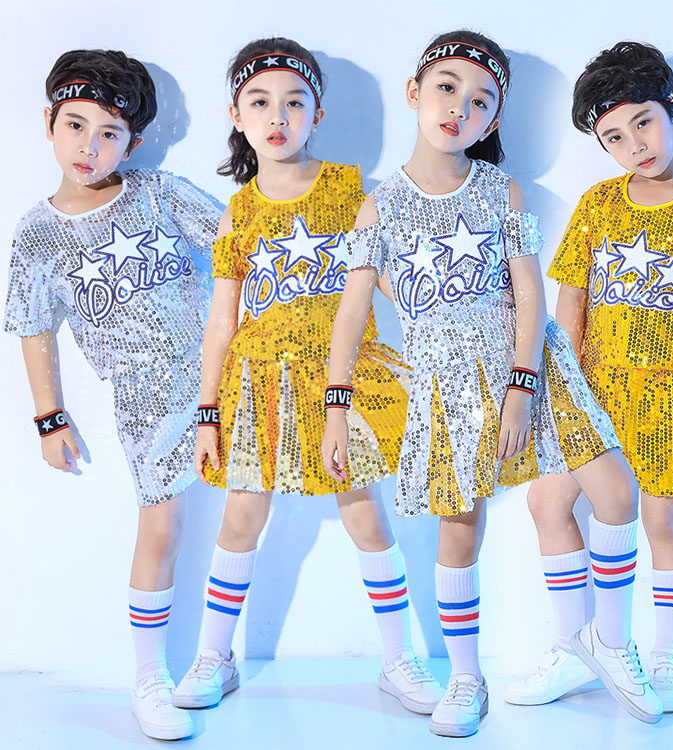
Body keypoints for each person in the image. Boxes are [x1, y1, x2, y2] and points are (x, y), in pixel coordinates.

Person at [323, 30, 662, 737]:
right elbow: (351, 314)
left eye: (481, 101)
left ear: (493, 120)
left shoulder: (500, 190)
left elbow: (529, 295)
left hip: (529, 366)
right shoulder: (379, 207)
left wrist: (520, 386)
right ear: (415, 92)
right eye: (447, 88)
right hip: (445, 380)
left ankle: (604, 640)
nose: (461, 108)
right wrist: (335, 407)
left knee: (615, 493)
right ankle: (466, 678)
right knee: (459, 530)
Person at [173, 37, 442, 717]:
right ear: (236, 115)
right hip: (258, 386)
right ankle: (214, 657)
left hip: (340, 382)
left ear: (316, 113)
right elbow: (221, 323)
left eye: (294, 102)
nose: (278, 116)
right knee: (241, 515)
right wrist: (207, 413)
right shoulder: (237, 212)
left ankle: (399, 659)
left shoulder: (350, 190)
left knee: (364, 513)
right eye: (260, 102)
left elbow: (387, 281)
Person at [507, 41, 673, 714]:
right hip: (592, 395)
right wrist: (558, 394)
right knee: (546, 503)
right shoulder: (598, 204)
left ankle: (665, 654)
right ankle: (575, 648)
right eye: (614, 136)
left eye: (644, 122)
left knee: (662, 517)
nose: (634, 144)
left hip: (671, 399)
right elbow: (570, 305)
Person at [3, 49, 223, 740]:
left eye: (109, 134)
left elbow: (238, 245)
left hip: (223, 374)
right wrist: (49, 417)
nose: (89, 147)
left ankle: (217, 658)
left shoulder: (158, 193)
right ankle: (149, 677)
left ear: (133, 141)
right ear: (49, 123)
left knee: (247, 513)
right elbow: (32, 324)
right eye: (75, 126)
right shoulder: (38, 234)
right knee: (163, 529)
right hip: (145, 399)